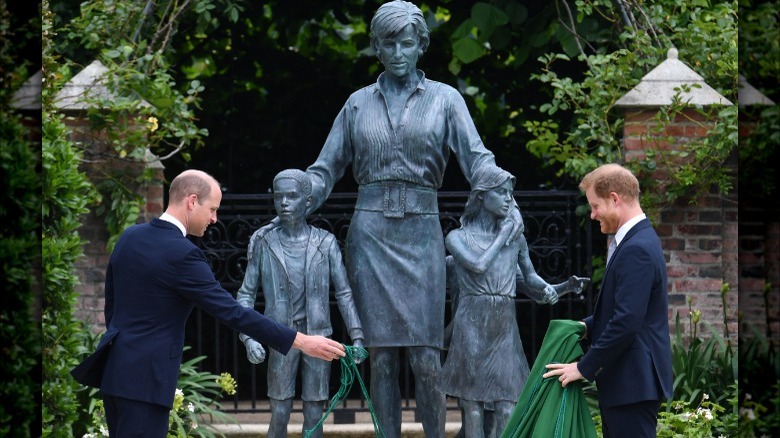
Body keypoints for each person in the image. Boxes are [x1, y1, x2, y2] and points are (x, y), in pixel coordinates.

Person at [299, 2, 523, 436]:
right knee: (381, 357)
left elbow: (477, 160)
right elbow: (325, 169)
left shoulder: (446, 99)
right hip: (371, 234)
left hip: (422, 233)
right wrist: (296, 197)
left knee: (425, 356)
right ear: (376, 48)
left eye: (407, 43)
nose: (398, 52)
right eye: (388, 43)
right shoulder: (357, 103)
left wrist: (504, 199)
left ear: (421, 45)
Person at [70, 169, 346, 437]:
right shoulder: (183, 254)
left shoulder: (130, 237)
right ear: (192, 201)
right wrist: (301, 341)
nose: (214, 219)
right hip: (147, 381)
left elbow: (113, 306)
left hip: (115, 374)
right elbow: (233, 312)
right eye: (212, 209)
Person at [438, 167, 576, 438]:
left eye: (509, 194)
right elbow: (478, 265)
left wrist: (559, 288)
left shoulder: (516, 240)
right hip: (471, 322)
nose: (507, 199)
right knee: (473, 404)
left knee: (507, 403)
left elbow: (531, 278)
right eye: (500, 192)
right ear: (481, 197)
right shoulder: (457, 237)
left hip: (503, 324)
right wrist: (503, 236)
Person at [543, 163, 673, 437]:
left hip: (632, 384)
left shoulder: (636, 247)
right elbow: (623, 311)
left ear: (614, 198)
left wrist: (583, 367)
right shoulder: (636, 241)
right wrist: (584, 326)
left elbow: (627, 321)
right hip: (630, 384)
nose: (592, 215)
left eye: (595, 205)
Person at [235, 169, 365, 438]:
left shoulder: (326, 243)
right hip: (280, 336)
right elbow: (245, 294)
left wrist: (357, 337)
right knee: (280, 411)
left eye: (291, 197)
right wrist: (249, 337)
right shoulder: (264, 243)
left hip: (319, 336)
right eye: (279, 197)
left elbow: (344, 293)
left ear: (307, 201)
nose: (283, 203)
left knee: (314, 413)